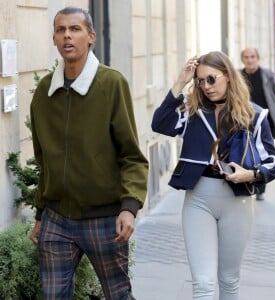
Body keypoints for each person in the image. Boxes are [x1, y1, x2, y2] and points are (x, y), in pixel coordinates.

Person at [29, 6, 148, 300]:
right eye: (60, 30)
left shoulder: (111, 83)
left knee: (118, 295)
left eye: (75, 29)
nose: (67, 35)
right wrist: (41, 214)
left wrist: (129, 207)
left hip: (104, 218)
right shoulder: (44, 91)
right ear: (55, 39)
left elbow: (131, 154)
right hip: (56, 219)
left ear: (91, 37)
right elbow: (45, 161)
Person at [151, 51, 275, 299]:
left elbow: (274, 162)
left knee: (229, 280)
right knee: (203, 283)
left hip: (237, 201)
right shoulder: (192, 111)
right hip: (198, 199)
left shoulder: (254, 115)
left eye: (211, 79)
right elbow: (160, 124)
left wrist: (252, 174)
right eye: (200, 81)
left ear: (228, 76)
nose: (206, 86)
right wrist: (181, 82)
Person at [240, 47, 275, 200]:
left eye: (252, 56)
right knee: (247, 153)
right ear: (242, 60)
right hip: (245, 121)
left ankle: (260, 187)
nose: (249, 60)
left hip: (264, 121)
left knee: (264, 154)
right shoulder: (239, 76)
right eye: (246, 57)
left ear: (257, 58)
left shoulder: (266, 74)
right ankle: (248, 183)